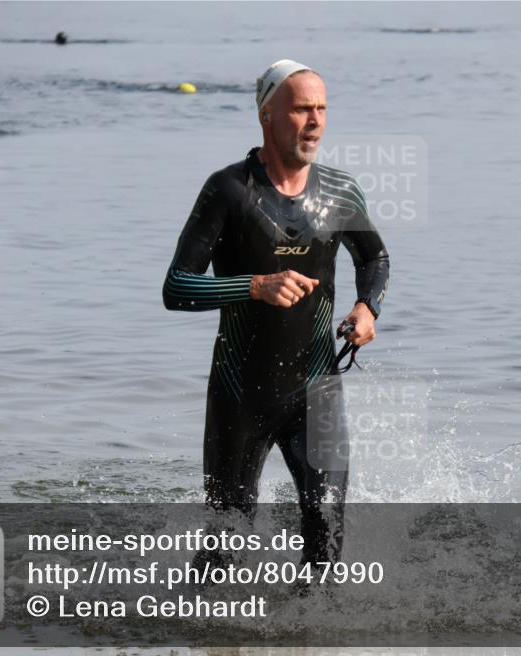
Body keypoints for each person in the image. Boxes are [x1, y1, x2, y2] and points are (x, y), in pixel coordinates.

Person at [162, 59, 389, 565]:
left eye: (321, 109)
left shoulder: (340, 192)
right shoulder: (228, 190)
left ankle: (311, 643)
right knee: (228, 543)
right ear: (267, 115)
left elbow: (374, 258)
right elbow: (177, 288)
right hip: (241, 393)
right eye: (301, 109)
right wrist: (255, 286)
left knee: (326, 531)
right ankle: (206, 637)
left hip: (318, 391)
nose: (315, 121)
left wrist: (366, 308)